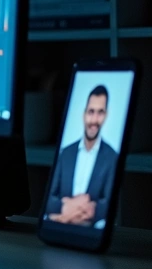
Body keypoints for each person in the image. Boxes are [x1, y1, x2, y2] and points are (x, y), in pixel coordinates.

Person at [46, 85, 120, 228]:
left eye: (100, 112)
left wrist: (75, 213)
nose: (94, 119)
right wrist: (66, 207)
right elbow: (49, 198)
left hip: (88, 227)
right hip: (62, 226)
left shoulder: (111, 157)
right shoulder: (66, 153)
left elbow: (109, 202)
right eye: (91, 111)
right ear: (83, 113)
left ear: (106, 115)